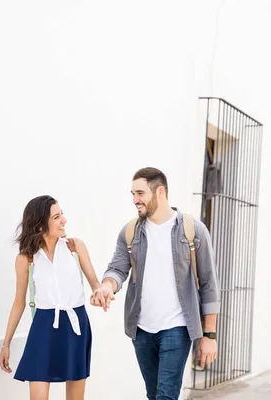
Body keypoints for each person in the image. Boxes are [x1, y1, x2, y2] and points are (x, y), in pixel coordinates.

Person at [90, 167, 220, 400]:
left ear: (160, 192)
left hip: (178, 327)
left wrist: (209, 336)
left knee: (165, 396)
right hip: (142, 330)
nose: (134, 200)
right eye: (132, 194)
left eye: (140, 193)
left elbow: (209, 283)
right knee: (154, 395)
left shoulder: (193, 230)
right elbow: (118, 269)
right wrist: (107, 287)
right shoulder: (130, 232)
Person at [0, 195, 107, 400]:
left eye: (61, 214)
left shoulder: (75, 247)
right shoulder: (26, 259)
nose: (64, 220)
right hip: (44, 325)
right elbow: (19, 302)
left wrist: (100, 293)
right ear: (40, 226)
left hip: (76, 324)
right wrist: (6, 344)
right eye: (56, 217)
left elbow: (95, 284)